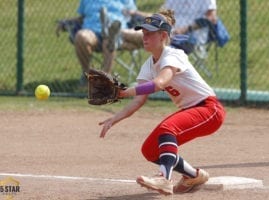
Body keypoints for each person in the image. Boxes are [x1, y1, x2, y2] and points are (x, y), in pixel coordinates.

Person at [98, 9, 225, 195]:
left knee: (168, 130)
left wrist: (124, 92)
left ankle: (164, 179)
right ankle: (193, 175)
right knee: (150, 150)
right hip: (190, 111)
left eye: (150, 33)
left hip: (210, 109)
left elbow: (159, 83)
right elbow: (138, 101)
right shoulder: (148, 65)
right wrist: (114, 118)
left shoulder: (173, 55)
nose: (144, 37)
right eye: (143, 33)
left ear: (163, 35)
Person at [56, 0, 143, 85]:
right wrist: (65, 23)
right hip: (93, 32)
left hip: (116, 33)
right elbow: (82, 17)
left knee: (109, 37)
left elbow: (132, 14)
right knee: (81, 36)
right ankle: (89, 77)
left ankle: (104, 80)